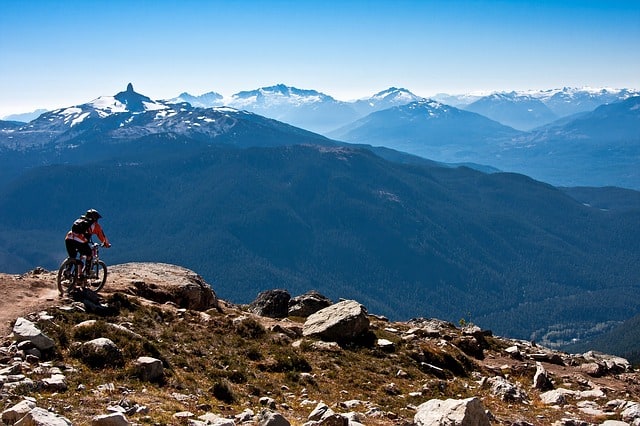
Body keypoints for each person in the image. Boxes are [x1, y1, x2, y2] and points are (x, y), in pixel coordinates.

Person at [65, 209, 111, 278]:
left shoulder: (79, 220)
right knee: (89, 254)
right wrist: (106, 244)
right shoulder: (95, 225)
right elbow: (102, 236)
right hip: (79, 241)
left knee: (72, 256)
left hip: (69, 238)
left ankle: (67, 271)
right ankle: (87, 272)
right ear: (95, 218)